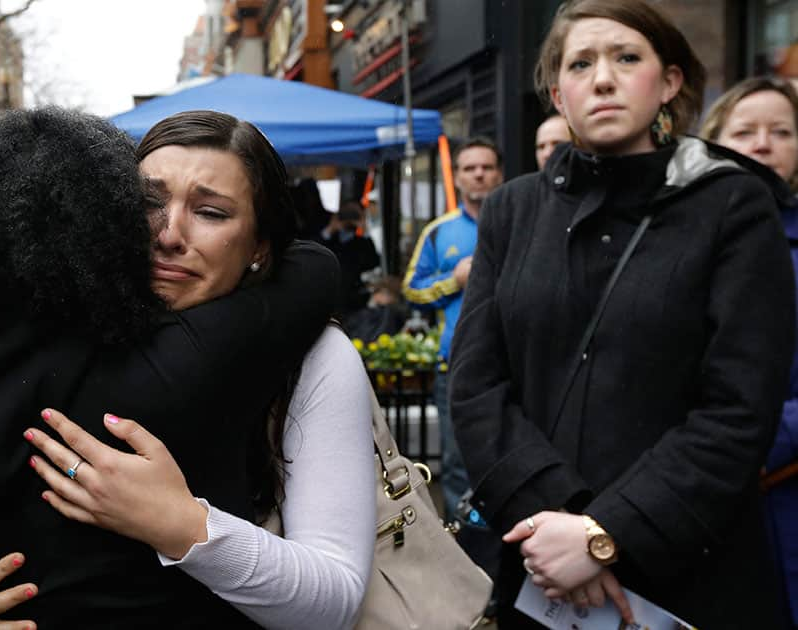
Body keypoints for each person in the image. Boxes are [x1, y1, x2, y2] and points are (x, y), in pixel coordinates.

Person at [0, 108, 375, 630]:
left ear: (260, 246)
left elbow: (335, 598)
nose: (168, 234)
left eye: (211, 212)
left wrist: (184, 526)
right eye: (149, 202)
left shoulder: (315, 355)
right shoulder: (62, 328)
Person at [449, 1, 795, 628]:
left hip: (691, 574)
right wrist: (561, 532)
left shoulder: (733, 206)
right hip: (541, 570)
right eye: (581, 63)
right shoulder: (512, 211)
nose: (603, 78)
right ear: (559, 93)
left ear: (669, 82)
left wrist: (605, 535)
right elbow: (476, 385)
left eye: (626, 57)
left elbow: (740, 407)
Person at [699, 76, 798, 629]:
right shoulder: (677, 234)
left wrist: (764, 439)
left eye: (781, 132)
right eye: (745, 131)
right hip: (697, 492)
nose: (763, 143)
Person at [402, 136, 503, 522]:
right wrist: (453, 280)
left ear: (499, 174)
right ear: (457, 177)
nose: (479, 174)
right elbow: (411, 290)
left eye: (486, 167)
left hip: (514, 362)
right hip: (456, 362)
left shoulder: (518, 219)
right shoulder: (439, 231)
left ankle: (505, 540)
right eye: (469, 168)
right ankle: (465, 543)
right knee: (458, 460)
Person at [315, 199, 381, 317]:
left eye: (353, 215)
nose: (349, 218)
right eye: (346, 214)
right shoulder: (328, 240)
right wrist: (331, 228)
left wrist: (363, 228)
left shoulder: (362, 243)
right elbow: (314, 254)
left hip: (353, 301)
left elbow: (374, 262)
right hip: (327, 298)